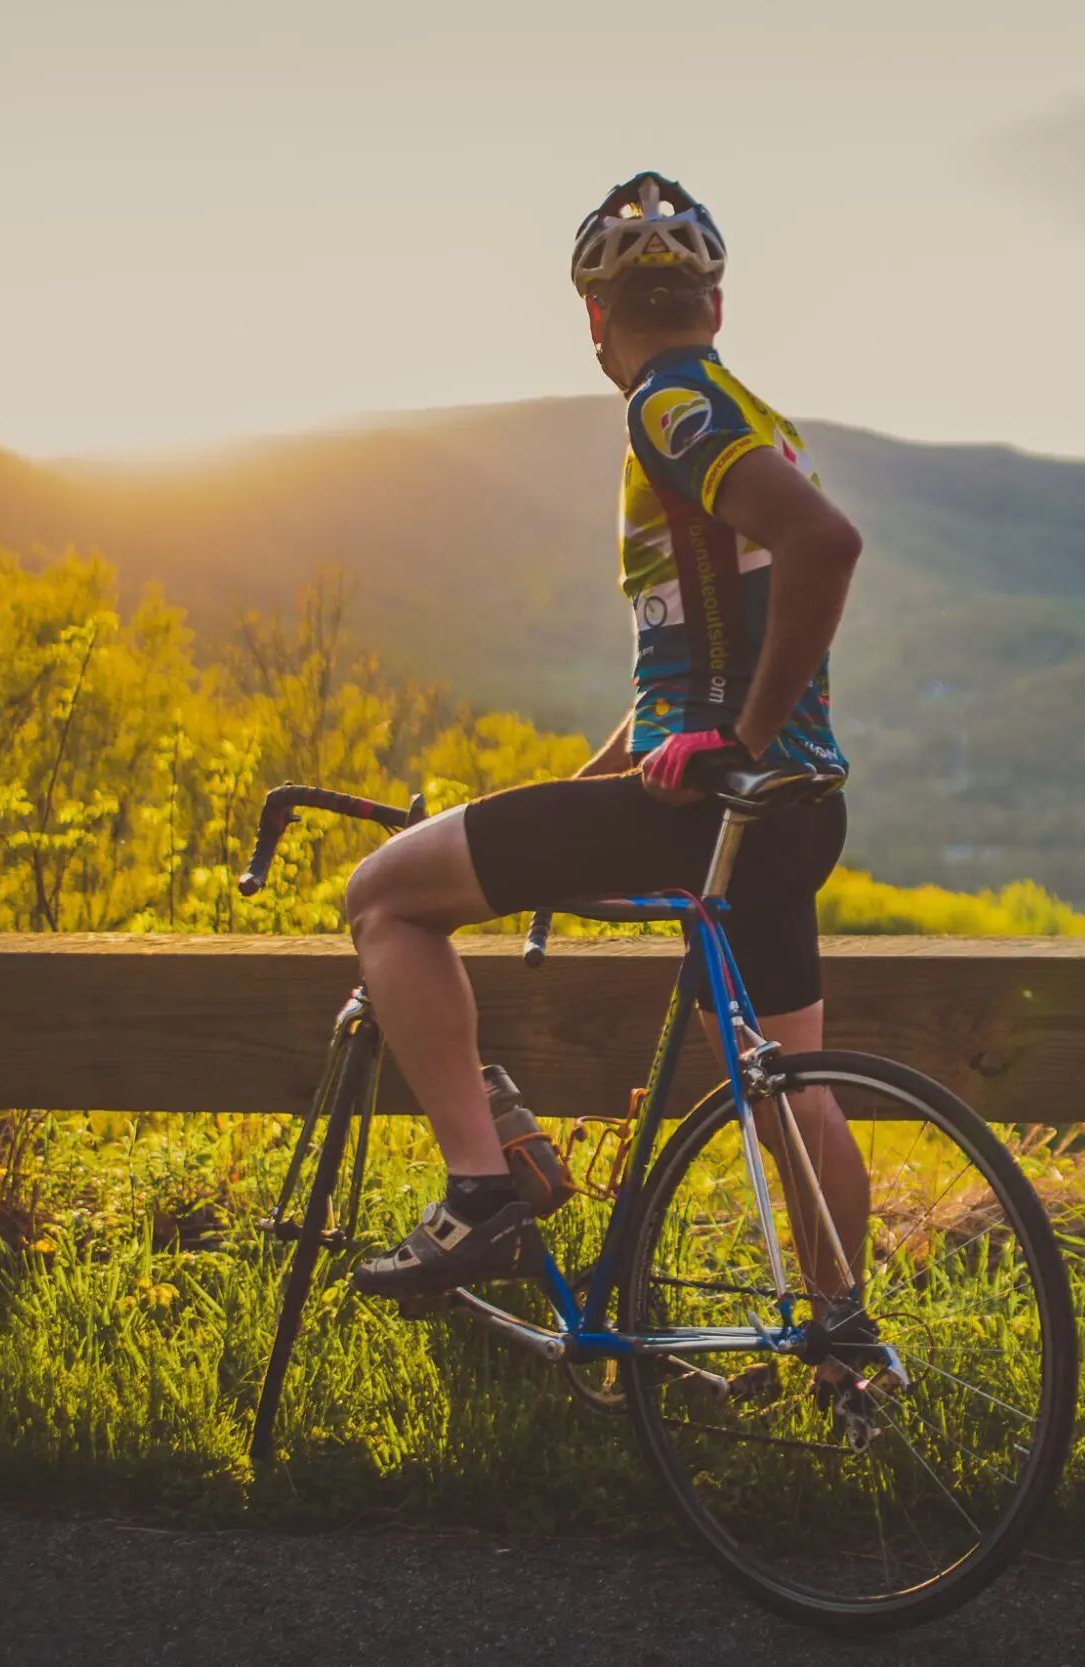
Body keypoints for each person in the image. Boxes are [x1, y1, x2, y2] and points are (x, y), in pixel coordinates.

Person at [343, 172, 872, 1315]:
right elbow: (712, 637)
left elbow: (825, 544)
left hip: (703, 805)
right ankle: (841, 1346)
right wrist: (599, 774)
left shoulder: (666, 408)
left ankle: (481, 1186)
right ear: (717, 306)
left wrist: (734, 732)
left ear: (594, 323)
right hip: (793, 809)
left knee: (384, 896)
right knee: (793, 1087)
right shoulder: (754, 414)